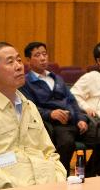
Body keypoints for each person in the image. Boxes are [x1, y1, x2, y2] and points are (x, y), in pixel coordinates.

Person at [0, 42, 67, 189]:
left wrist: (59, 178)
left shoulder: (29, 107)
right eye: (10, 62)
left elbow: (49, 153)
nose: (19, 66)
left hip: (47, 188)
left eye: (19, 60)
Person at [20, 40, 88, 172]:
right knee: (67, 143)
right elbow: (29, 107)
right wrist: (50, 114)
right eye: (37, 55)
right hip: (55, 124)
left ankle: (89, 173)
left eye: (44, 54)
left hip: (74, 121)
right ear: (28, 60)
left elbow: (72, 100)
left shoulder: (56, 78)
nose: (43, 58)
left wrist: (80, 118)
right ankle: (62, 176)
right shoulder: (26, 82)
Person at [70, 41, 100, 175]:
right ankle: (90, 173)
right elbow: (73, 94)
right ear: (99, 61)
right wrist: (86, 107)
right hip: (98, 121)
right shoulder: (91, 77)